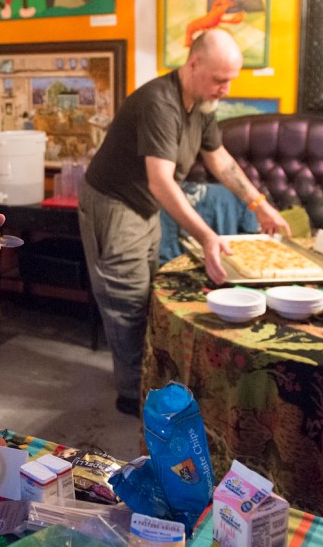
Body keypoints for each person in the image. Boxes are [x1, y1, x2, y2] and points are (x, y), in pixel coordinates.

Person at [77, 29, 289, 417]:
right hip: (114, 202)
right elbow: (161, 181)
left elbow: (219, 158)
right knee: (126, 299)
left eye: (231, 79)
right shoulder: (160, 103)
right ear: (194, 64)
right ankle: (131, 397)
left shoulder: (202, 102)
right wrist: (207, 237)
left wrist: (258, 203)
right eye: (219, 79)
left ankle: (146, 383)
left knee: (148, 293)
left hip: (144, 204)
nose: (226, 88)